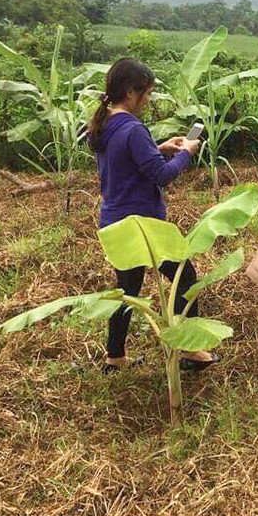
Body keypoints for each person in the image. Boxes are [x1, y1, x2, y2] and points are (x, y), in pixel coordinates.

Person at [87, 57, 215, 375]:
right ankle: (190, 349)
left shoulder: (106, 123)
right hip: (143, 226)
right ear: (131, 92)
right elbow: (161, 176)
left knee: (127, 293)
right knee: (185, 277)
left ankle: (114, 358)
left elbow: (126, 163)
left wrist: (159, 147)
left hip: (115, 222)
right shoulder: (132, 127)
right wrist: (185, 153)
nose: (147, 101)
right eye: (146, 94)